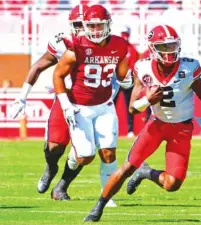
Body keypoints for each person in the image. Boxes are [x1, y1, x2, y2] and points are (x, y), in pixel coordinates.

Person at [83, 24, 201, 222]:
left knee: (172, 184)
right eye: (164, 47)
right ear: (153, 49)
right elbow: (132, 108)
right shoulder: (143, 68)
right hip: (156, 126)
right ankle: (98, 206)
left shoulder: (188, 68)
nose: (170, 52)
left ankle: (147, 172)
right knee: (126, 168)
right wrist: (147, 101)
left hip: (181, 129)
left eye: (172, 46)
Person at [52, 4, 131, 206]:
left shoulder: (120, 45)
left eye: (100, 25)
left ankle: (107, 196)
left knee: (108, 152)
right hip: (80, 107)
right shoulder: (76, 47)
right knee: (85, 156)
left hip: (105, 105)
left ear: (108, 25)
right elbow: (58, 74)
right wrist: (65, 105)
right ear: (85, 26)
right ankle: (68, 167)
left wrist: (128, 80)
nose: (96, 30)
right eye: (92, 26)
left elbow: (122, 75)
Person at [11, 4, 89, 198]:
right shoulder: (63, 42)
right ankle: (50, 167)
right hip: (66, 98)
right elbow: (38, 66)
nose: (83, 29)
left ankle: (61, 187)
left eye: (87, 24)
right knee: (55, 146)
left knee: (82, 154)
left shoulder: (106, 45)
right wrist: (22, 97)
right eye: (78, 24)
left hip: (92, 103)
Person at [113, 25, 140, 138]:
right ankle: (111, 129)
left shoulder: (132, 50)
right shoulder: (114, 48)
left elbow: (134, 66)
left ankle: (130, 130)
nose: (125, 36)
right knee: (111, 106)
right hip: (115, 80)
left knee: (129, 105)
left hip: (128, 80)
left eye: (126, 34)